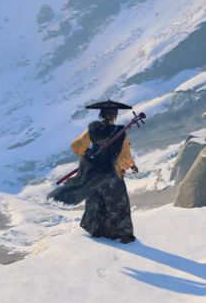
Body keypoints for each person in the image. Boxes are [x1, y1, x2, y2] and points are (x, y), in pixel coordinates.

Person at [49, 100, 139, 243]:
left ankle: (97, 231)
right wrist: (131, 165)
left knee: (96, 201)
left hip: (94, 173)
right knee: (118, 203)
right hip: (110, 174)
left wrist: (89, 152)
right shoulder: (120, 131)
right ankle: (123, 235)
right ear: (115, 115)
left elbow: (76, 145)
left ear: (101, 114)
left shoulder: (92, 129)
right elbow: (124, 155)